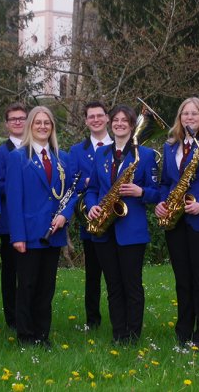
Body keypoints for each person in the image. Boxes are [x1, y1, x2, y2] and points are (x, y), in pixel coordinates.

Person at [154, 97, 199, 349]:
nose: (189, 118)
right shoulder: (170, 144)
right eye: (185, 114)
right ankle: (183, 330)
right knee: (182, 278)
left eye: (194, 114)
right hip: (176, 220)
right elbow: (165, 182)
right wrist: (162, 202)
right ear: (179, 117)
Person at [85, 104, 159, 344]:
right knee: (113, 285)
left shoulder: (145, 155)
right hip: (104, 228)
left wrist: (140, 191)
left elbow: (157, 193)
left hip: (132, 230)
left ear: (131, 124)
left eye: (124, 120)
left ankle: (133, 334)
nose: (118, 124)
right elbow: (93, 188)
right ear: (110, 123)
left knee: (132, 285)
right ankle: (119, 333)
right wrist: (92, 205)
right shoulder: (101, 153)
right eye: (115, 120)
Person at [6, 106, 77, 346]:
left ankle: (42, 335)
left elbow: (72, 191)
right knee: (27, 285)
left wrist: (65, 215)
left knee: (47, 287)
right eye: (38, 122)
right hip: (29, 233)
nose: (43, 126)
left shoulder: (62, 157)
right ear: (30, 125)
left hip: (54, 232)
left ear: (52, 127)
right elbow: (14, 200)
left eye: (47, 122)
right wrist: (18, 236)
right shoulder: (18, 158)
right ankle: (26, 336)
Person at [69, 101, 111, 330]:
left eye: (99, 115)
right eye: (91, 116)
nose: (95, 119)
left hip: (117, 220)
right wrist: (88, 183)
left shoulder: (121, 145)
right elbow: (72, 185)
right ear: (86, 121)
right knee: (93, 275)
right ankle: (92, 321)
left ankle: (121, 318)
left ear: (107, 118)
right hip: (91, 219)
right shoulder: (76, 151)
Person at [0, 103, 28, 329]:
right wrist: (24, 188)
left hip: (34, 220)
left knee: (29, 272)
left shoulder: (37, 149)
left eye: (22, 118)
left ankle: (28, 311)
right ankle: (12, 318)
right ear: (6, 124)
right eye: (13, 119)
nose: (18, 122)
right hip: (9, 223)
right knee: (11, 272)